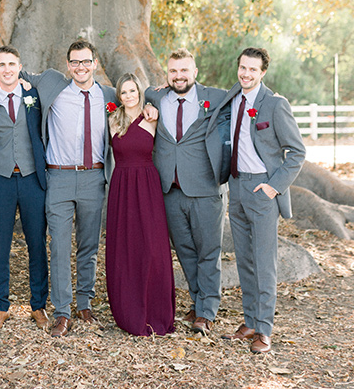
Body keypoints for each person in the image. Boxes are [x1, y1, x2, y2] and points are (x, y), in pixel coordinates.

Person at [0, 39, 115, 337]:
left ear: (95, 63)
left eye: (86, 61)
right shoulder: (52, 82)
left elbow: (135, 103)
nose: (81, 67)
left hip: (93, 176)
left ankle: (84, 303)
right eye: (75, 62)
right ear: (67, 65)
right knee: (58, 244)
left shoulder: (109, 95)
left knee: (88, 245)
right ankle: (62, 310)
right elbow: (9, 74)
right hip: (58, 177)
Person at [209, 47, 306, 354]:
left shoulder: (275, 105)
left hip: (263, 190)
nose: (246, 74)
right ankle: (250, 320)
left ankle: (264, 330)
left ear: (263, 72)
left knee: (265, 263)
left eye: (252, 70)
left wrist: (273, 187)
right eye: (242, 68)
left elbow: (297, 152)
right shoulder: (232, 97)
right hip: (236, 187)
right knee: (245, 261)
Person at [144, 49, 228, 335]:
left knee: (208, 251)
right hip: (169, 189)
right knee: (185, 252)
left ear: (194, 72)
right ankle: (197, 300)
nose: (178, 76)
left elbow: (246, 95)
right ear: (167, 75)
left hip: (205, 188)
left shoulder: (215, 98)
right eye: (173, 71)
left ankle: (206, 311)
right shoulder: (155, 97)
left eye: (184, 71)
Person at [0, 45, 49, 331]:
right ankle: (0, 306)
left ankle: (39, 305)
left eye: (12, 64)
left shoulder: (34, 96)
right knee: (0, 245)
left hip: (32, 179)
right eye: (1, 65)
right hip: (0, 179)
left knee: (37, 244)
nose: (7, 69)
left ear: (20, 67)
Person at [106, 73, 175, 336]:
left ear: (140, 92)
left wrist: (159, 93)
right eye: (124, 92)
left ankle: (156, 312)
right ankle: (129, 311)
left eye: (133, 91)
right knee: (126, 248)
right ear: (119, 97)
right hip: (122, 187)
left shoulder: (153, 117)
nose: (129, 96)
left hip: (147, 186)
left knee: (153, 248)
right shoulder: (113, 120)